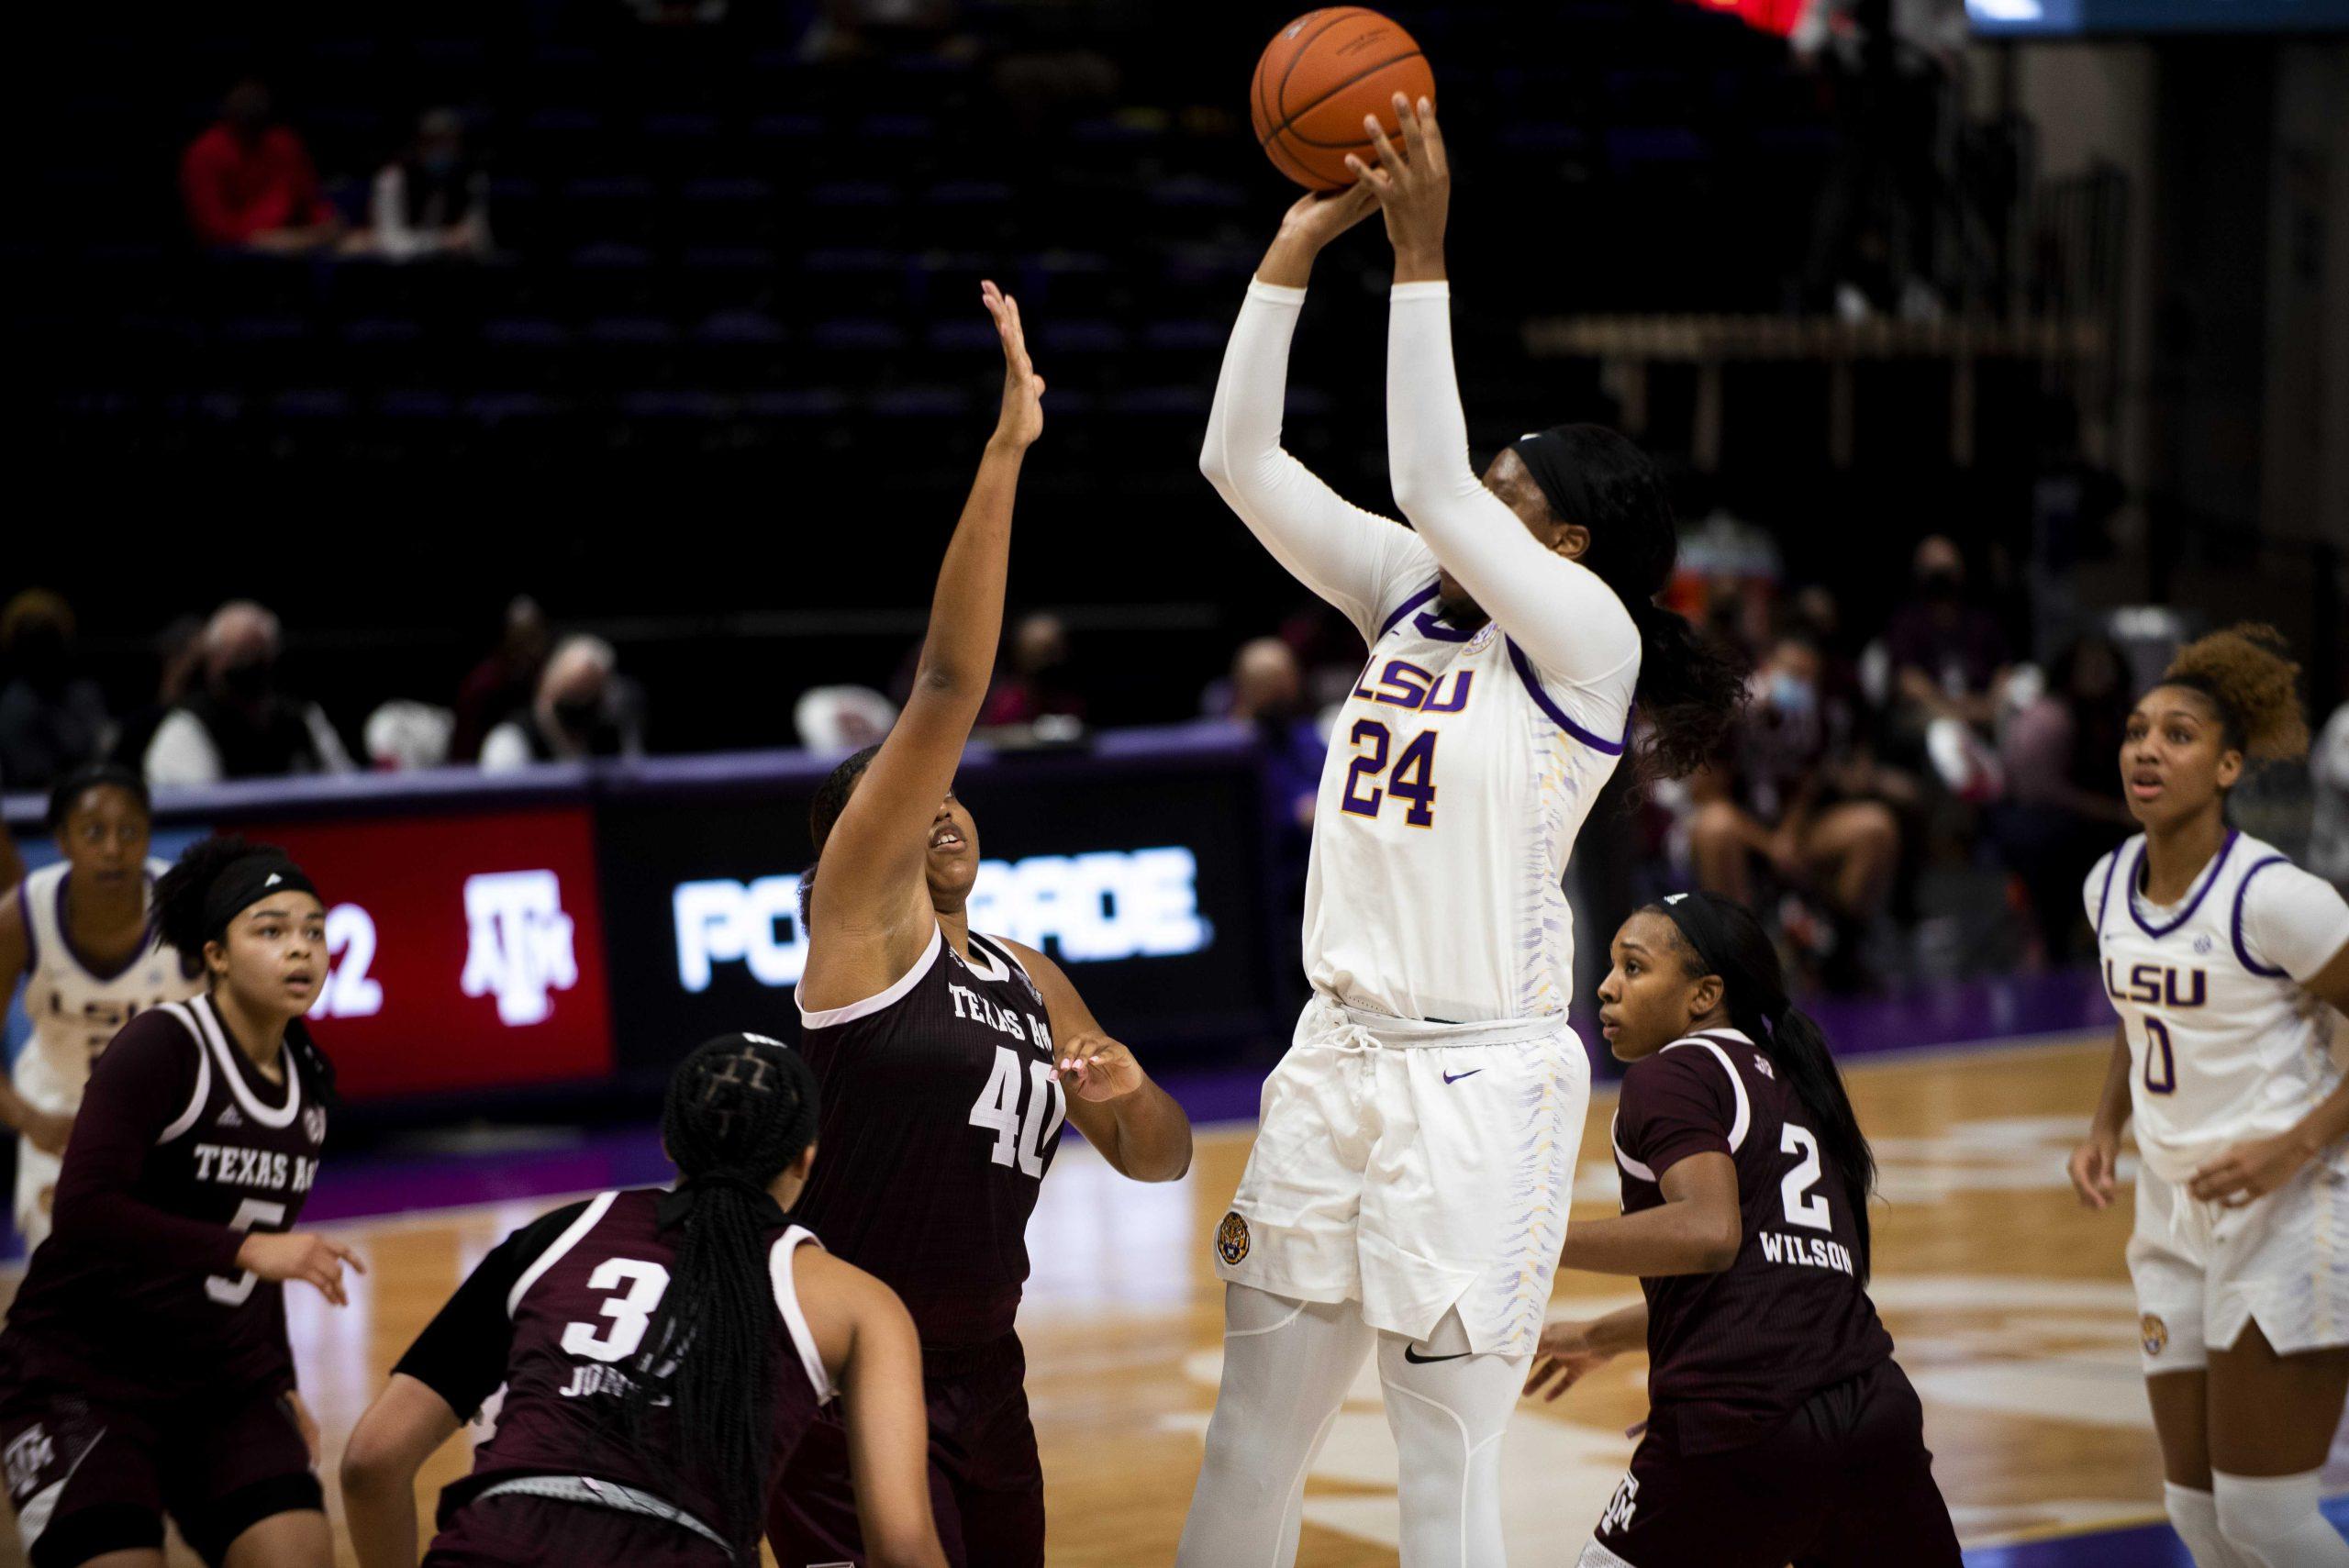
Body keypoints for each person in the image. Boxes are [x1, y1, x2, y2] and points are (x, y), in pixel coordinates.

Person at [1177, 98, 1745, 1568]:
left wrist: (1422, 253)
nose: (1468, 501)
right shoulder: (1408, 594)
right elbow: (1237, 463)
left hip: (1477, 1084)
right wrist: (1292, 260)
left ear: (1564, 542)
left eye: (1510, 492)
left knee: (1445, 1471)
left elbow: (1425, 478)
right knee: (1249, 1440)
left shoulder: (1587, 639)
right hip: (1336, 1059)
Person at [767, 283, 1194, 1568]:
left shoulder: (1027, 969)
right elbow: (952, 680)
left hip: (986, 1373)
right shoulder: (859, 935)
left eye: (954, 793)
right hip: (845, 1363)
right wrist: (1008, 450)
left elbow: (1164, 1160)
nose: (939, 804)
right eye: (911, 797)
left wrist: (1120, 1095)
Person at [339, 1034, 948, 1568]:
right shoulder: (858, 1301)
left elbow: (370, 1460)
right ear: (805, 1158)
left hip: (494, 1539)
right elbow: (900, 1548)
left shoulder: (557, 1235)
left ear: (668, 1141)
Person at [1525, 890, 1961, 1565]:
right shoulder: (1796, 1082)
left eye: (1634, 968)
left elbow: (1707, 1233)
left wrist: (1534, 1241)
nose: (1606, 988)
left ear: (1704, 995)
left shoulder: (1671, 1073)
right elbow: (1773, 1274)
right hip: (1875, 1413)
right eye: (1611, 966)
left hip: (1741, 1423)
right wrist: (1599, 1335)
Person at [2066, 625, 2349, 1567]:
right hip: (2171, 1208)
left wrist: (2295, 1143)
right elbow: (2137, 1009)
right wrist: (2105, 1121)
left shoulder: (2277, 897)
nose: (2148, 747)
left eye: (2178, 734)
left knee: (2265, 1515)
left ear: (2229, 764)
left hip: (2290, 1208)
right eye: (2137, 729)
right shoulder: (2107, 884)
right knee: (2196, 1515)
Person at [0, 834, 360, 1568]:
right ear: (216, 954)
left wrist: (279, 1379)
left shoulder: (309, 1081)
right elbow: (85, 1208)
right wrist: (245, 1249)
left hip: (219, 1386)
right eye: (272, 930)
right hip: (81, 1372)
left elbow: (262, 1251)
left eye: (313, 931)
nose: (301, 949)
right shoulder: (162, 1043)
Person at [0, 765, 199, 1251]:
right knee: (69, 1289)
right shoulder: (20, 915)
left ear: (149, 834)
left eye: (128, 831)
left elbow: (244, 1029)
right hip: (59, 1112)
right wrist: (29, 1119)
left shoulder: (189, 909)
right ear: (62, 840)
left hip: (167, 1121)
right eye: (93, 832)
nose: (113, 849)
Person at [1685, 633, 1900, 984]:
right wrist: (1770, 844)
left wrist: (1789, 834)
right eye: (1792, 673)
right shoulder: (1731, 715)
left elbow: (1809, 785)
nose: (1799, 684)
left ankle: (1838, 951)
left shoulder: (1820, 718)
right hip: (1743, 836)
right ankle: (1736, 962)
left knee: (1875, 827)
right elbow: (1707, 795)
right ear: (1768, 669)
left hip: (1795, 833)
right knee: (1714, 827)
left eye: (1807, 677)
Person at [1991, 632, 2135, 962]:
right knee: (2058, 840)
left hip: (2096, 814)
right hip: (2037, 815)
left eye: (2105, 665)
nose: (2099, 673)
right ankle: (2050, 939)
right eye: (2089, 666)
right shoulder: (2050, 716)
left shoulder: (2121, 713)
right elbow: (2040, 792)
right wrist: (2114, 812)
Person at [144, 602, 354, 786]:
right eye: (236, 656)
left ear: (272, 656)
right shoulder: (186, 728)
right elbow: (203, 813)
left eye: (255, 655)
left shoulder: (302, 719)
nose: (247, 666)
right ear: (213, 661)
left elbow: (346, 789)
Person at [179, 79, 343, 255]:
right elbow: (213, 229)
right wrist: (263, 238)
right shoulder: (205, 152)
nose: (252, 100)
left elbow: (311, 203)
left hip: (297, 244)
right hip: (233, 254)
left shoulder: (285, 144)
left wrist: (326, 223)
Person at [0, 590, 112, 791]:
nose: (42, 651)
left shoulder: (85, 695)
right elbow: (31, 777)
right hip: (29, 810)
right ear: (16, 645)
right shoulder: (13, 706)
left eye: (48, 637)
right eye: (32, 639)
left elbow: (103, 753)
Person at [479, 635, 641, 771]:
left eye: (592, 693)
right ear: (548, 683)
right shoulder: (512, 737)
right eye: (576, 691)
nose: (582, 703)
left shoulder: (609, 737)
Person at [366, 107, 492, 263]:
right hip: (400, 269)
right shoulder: (392, 178)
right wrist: (442, 241)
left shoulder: (472, 180)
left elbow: (477, 241)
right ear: (419, 143)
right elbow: (389, 243)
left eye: (448, 142)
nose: (441, 149)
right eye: (433, 142)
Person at [451, 596, 551, 763]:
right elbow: (463, 750)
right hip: (485, 770)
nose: (531, 648)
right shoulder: (483, 684)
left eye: (535, 637)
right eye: (522, 639)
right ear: (508, 638)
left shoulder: (550, 674)